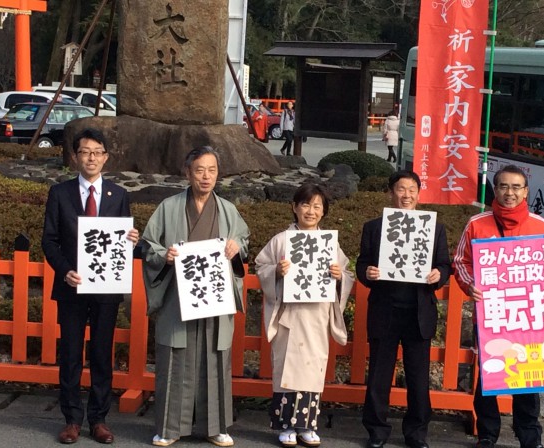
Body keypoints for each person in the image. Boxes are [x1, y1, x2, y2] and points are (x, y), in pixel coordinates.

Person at [141, 146, 250, 448]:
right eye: (199, 170)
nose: (205, 176)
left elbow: (243, 241)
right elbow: (148, 245)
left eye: (211, 170)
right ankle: (169, 428)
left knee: (215, 361)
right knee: (175, 360)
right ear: (187, 172)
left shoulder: (227, 209)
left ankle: (216, 428)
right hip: (178, 298)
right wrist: (166, 256)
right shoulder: (168, 207)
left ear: (218, 173)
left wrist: (235, 248)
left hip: (215, 298)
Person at [41, 128, 139, 444]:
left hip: (105, 288)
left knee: (100, 353)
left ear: (106, 157)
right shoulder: (60, 193)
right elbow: (50, 240)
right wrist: (65, 270)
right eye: (85, 151)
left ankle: (98, 419)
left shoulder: (118, 195)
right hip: (71, 286)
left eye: (97, 151)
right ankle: (71, 419)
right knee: (70, 353)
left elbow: (123, 244)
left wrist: (132, 241)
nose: (91, 157)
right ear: (75, 156)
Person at [454, 165, 544, 448]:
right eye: (504, 187)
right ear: (495, 190)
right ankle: (487, 433)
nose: (510, 193)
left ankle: (529, 436)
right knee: (488, 378)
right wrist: (470, 284)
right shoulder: (477, 223)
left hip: (527, 316)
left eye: (516, 187)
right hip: (492, 315)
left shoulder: (541, 225)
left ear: (526, 191)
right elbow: (461, 261)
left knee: (529, 378)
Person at [357, 170, 451, 448]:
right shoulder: (374, 227)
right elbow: (362, 264)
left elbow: (445, 264)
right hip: (385, 309)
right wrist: (368, 273)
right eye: (400, 189)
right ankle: (376, 431)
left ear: (419, 195)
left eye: (412, 190)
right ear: (391, 192)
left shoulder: (434, 228)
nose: (406, 195)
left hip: (418, 312)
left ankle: (417, 433)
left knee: (419, 378)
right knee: (379, 375)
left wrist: (438, 275)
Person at [255, 183, 354, 448]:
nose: (311, 211)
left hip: (316, 315)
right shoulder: (282, 240)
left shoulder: (329, 244)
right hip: (290, 314)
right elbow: (261, 267)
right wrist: (276, 270)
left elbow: (346, 274)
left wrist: (338, 277)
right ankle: (285, 425)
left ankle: (307, 425)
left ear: (324, 212)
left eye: (317, 206)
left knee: (312, 368)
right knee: (287, 367)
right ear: (295, 207)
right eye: (306, 204)